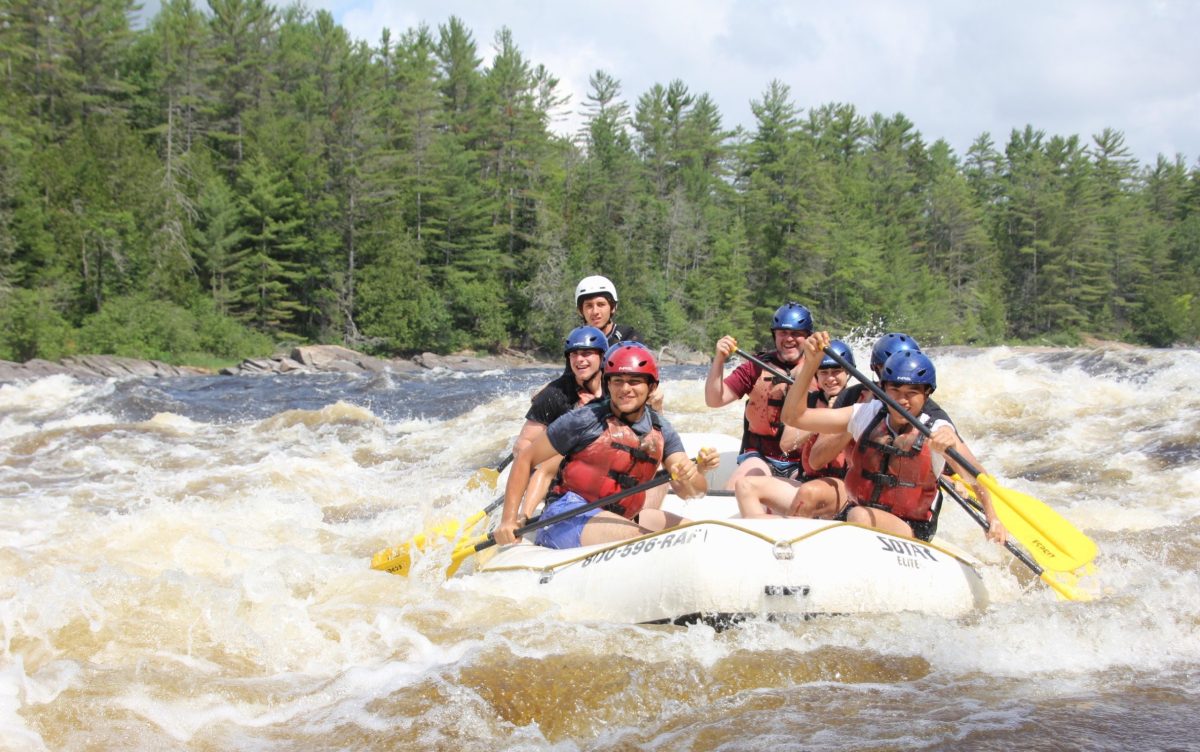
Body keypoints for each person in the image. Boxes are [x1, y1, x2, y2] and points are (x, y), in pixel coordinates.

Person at [737, 331, 1007, 546]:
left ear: (927, 394)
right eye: (895, 390)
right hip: (859, 508)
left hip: (908, 527)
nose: (902, 399)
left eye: (912, 392)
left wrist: (993, 519)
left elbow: (978, 477)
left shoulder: (937, 428)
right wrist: (810, 364)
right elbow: (794, 418)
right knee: (816, 498)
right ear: (883, 388)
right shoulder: (866, 412)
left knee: (858, 516)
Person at [495, 343, 719, 549]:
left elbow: (695, 492)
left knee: (700, 534)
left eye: (634, 381)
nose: (625, 389)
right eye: (617, 381)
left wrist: (695, 473)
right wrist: (509, 519)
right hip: (567, 515)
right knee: (641, 538)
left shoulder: (662, 430)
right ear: (608, 384)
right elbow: (526, 458)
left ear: (651, 387)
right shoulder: (584, 419)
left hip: (625, 516)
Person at [704, 302, 815, 489]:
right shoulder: (756, 366)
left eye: (796, 334)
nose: (789, 339)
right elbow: (714, 400)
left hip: (802, 462)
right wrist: (719, 359)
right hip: (760, 456)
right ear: (774, 335)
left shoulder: (820, 370)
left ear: (807, 337)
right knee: (738, 485)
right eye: (783, 333)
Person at [575, 275, 641, 346]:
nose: (595, 312)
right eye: (589, 306)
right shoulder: (576, 342)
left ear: (612, 307)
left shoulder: (628, 337)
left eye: (601, 304)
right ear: (580, 311)